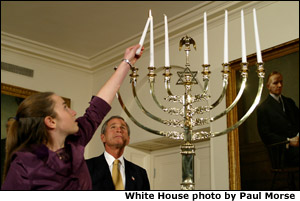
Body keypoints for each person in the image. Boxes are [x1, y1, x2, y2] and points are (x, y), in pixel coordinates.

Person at [1, 44, 143, 190]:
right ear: (51, 121)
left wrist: (126, 62)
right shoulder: (24, 165)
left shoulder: (74, 142)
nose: (73, 112)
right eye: (64, 107)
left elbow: (97, 108)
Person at [86, 115, 150, 190]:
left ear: (128, 140)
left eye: (123, 127)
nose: (119, 130)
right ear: (103, 137)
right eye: (113, 127)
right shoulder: (85, 168)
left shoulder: (140, 173)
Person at [257, 71, 299, 167]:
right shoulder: (263, 108)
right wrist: (288, 141)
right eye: (275, 83)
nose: (279, 85)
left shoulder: (289, 102)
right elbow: (266, 135)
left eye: (281, 82)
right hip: (280, 153)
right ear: (268, 86)